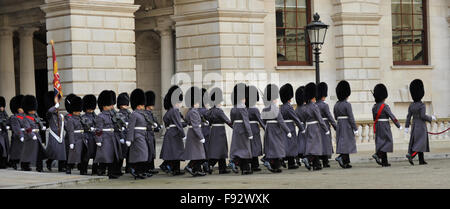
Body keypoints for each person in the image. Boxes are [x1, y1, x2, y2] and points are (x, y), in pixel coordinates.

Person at [261, 84, 292, 173]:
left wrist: (266, 127)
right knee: (278, 148)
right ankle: (276, 166)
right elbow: (281, 121)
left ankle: (271, 163)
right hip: (276, 130)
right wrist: (287, 131)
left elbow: (263, 120)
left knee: (271, 148)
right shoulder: (275, 108)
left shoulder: (265, 108)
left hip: (268, 129)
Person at [405, 79, 436, 165]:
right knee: (421, 143)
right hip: (421, 126)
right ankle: (411, 155)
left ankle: (421, 160)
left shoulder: (411, 105)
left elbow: (408, 117)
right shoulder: (422, 105)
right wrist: (431, 118)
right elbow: (423, 116)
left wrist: (406, 127)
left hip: (414, 125)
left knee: (417, 142)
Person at [371, 84, 402, 167]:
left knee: (381, 142)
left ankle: (384, 162)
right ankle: (378, 154)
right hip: (384, 126)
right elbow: (392, 116)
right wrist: (398, 125)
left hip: (377, 125)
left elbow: (374, 118)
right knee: (387, 141)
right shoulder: (385, 106)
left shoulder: (374, 107)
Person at [300, 83, 329, 171]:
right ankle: (308, 159)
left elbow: (303, 119)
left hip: (308, 127)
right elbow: (320, 119)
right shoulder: (314, 106)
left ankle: (316, 164)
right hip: (315, 127)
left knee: (311, 146)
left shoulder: (304, 107)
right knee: (316, 146)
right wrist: (326, 129)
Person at [94, 90, 122, 179]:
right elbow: (98, 129)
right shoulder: (100, 116)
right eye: (109, 105)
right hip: (105, 138)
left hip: (112, 137)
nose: (111, 106)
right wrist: (98, 140)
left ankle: (112, 172)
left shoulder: (112, 115)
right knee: (107, 156)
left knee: (113, 155)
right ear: (104, 106)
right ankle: (107, 172)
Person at [204, 87, 232, 174]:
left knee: (220, 150)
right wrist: (236, 127)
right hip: (220, 131)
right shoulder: (219, 111)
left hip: (213, 131)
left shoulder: (209, 111)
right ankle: (209, 164)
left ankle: (222, 168)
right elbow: (227, 121)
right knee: (220, 150)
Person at [160, 85, 185, 176]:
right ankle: (168, 166)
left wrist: (186, 123)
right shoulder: (174, 110)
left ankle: (175, 170)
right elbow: (178, 124)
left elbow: (171, 124)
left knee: (174, 153)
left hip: (171, 133)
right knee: (177, 152)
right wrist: (183, 135)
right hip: (175, 134)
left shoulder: (170, 111)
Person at [229, 83, 254, 175]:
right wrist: (250, 133)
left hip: (236, 129)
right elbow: (246, 121)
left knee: (239, 149)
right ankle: (240, 166)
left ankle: (244, 168)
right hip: (243, 130)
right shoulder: (242, 107)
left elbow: (232, 121)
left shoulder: (234, 108)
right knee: (246, 149)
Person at [126, 88, 150, 179]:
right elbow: (131, 127)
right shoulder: (134, 114)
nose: (143, 106)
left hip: (143, 135)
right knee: (141, 154)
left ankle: (140, 171)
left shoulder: (142, 114)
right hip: (137, 136)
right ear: (138, 105)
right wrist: (129, 139)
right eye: (142, 105)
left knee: (144, 154)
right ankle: (137, 170)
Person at [183, 86, 207, 177]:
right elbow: (195, 126)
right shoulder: (193, 112)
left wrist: (204, 123)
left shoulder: (193, 111)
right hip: (195, 134)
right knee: (198, 154)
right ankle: (190, 166)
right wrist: (201, 137)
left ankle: (196, 170)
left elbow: (197, 123)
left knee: (198, 154)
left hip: (194, 133)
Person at [279, 84, 304, 169]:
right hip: (290, 126)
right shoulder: (289, 107)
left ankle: (282, 159)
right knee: (291, 145)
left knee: (285, 144)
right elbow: (295, 118)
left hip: (283, 127)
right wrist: (301, 128)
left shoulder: (281, 107)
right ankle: (291, 163)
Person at [334, 80, 358, 169]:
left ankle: (346, 162)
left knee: (343, 143)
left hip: (339, 124)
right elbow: (351, 117)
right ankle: (341, 157)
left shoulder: (336, 105)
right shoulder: (347, 105)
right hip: (346, 125)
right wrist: (355, 128)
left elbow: (335, 116)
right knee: (347, 143)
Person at [20, 95, 47, 172]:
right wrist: (32, 135)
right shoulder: (25, 118)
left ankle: (40, 167)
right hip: (30, 137)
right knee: (27, 152)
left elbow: (39, 122)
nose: (33, 111)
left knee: (39, 152)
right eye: (31, 109)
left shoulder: (35, 116)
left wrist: (42, 127)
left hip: (37, 136)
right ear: (27, 109)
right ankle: (24, 165)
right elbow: (27, 128)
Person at [65, 95, 89, 175]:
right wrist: (71, 142)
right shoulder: (70, 119)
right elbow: (70, 131)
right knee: (73, 155)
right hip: (75, 139)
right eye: (77, 111)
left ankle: (83, 170)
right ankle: (68, 167)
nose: (79, 112)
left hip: (82, 138)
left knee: (83, 155)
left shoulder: (80, 118)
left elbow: (84, 127)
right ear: (73, 110)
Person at [315, 82, 337, 168]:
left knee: (318, 143)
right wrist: (335, 126)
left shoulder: (315, 105)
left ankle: (320, 160)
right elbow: (330, 117)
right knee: (325, 143)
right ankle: (325, 161)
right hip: (324, 126)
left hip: (317, 126)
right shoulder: (324, 105)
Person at [45, 91, 67, 172]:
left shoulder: (60, 115)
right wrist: (55, 106)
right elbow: (50, 111)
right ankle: (49, 161)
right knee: (53, 151)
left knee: (62, 152)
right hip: (54, 134)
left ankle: (61, 167)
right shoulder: (49, 115)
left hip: (60, 135)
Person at [246, 85, 265, 172]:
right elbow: (260, 121)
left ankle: (250, 163)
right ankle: (255, 165)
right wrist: (266, 128)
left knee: (249, 146)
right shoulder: (255, 109)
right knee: (255, 146)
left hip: (247, 129)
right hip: (254, 128)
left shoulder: (244, 109)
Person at [144, 90, 161, 176]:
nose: (153, 106)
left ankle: (151, 167)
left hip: (151, 134)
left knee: (152, 151)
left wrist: (157, 127)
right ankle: (147, 168)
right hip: (147, 134)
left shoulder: (150, 113)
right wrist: (153, 127)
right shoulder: (145, 114)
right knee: (148, 151)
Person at [81, 94, 98, 175]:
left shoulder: (96, 117)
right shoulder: (83, 117)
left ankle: (95, 170)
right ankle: (83, 170)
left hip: (95, 137)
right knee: (86, 156)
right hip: (87, 137)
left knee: (96, 155)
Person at [8, 95, 25, 170]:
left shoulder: (25, 116)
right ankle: (14, 163)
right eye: (21, 108)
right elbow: (16, 128)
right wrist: (20, 135)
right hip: (17, 136)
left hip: (24, 135)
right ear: (18, 109)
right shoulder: (14, 117)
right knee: (16, 151)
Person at [198, 88, 211, 174]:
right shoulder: (205, 111)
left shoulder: (195, 110)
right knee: (206, 150)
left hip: (198, 132)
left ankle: (198, 167)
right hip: (205, 131)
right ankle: (206, 167)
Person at [117, 92, 131, 173]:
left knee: (129, 154)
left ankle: (128, 169)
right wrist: (121, 137)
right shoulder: (118, 114)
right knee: (121, 154)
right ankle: (118, 169)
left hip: (128, 135)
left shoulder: (129, 113)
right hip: (122, 136)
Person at [294, 86, 306, 167]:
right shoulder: (305, 108)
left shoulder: (297, 109)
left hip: (299, 127)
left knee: (300, 142)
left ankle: (297, 158)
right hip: (305, 126)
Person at [0, 96, 9, 168]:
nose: (2, 108)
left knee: (6, 147)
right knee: (2, 148)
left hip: (4, 132)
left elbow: (7, 119)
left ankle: (5, 162)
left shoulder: (4, 112)